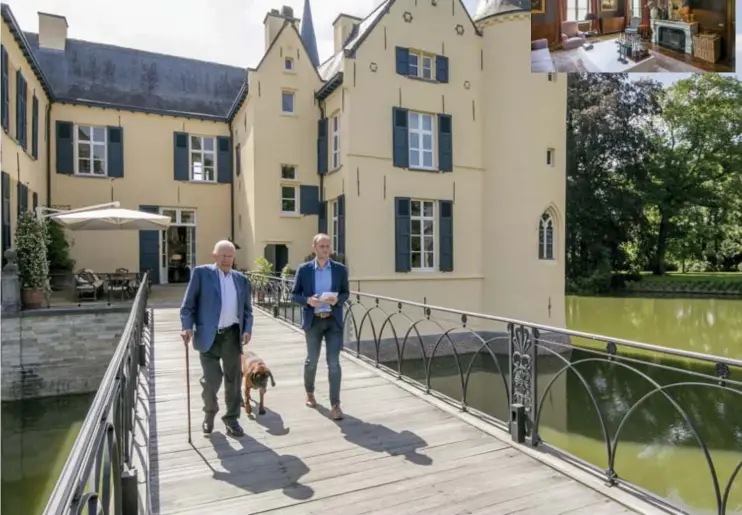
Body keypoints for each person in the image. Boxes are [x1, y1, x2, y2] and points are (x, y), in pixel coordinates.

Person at [180, 240, 253, 437]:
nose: (227, 259)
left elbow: (247, 311)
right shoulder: (202, 274)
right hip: (208, 336)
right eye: (223, 256)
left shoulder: (241, 279)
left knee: (234, 380)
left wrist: (247, 329)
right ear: (214, 256)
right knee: (211, 380)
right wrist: (187, 327)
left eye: (230, 256)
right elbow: (188, 306)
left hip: (231, 335)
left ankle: (232, 419)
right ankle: (209, 414)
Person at [291, 234, 350, 420]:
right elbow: (294, 295)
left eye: (327, 246)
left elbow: (345, 293)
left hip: (333, 321)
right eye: (322, 246)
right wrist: (308, 300)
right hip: (313, 321)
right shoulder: (304, 269)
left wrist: (337, 300)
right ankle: (309, 393)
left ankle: (335, 405)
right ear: (314, 247)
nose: (325, 249)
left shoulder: (340, 269)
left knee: (334, 363)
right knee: (312, 361)